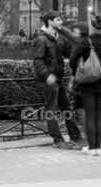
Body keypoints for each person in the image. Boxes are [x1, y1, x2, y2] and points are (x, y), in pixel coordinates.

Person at [69, 15, 101, 156]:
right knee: (99, 116)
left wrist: (77, 72)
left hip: (87, 83)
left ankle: (91, 148)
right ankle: (98, 148)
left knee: (90, 115)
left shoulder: (86, 42)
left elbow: (73, 60)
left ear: (92, 27)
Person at [32, 11, 83, 150]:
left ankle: (76, 137)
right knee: (51, 111)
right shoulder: (41, 39)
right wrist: (47, 76)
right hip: (48, 81)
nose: (61, 22)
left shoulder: (58, 38)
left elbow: (70, 52)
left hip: (59, 80)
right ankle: (57, 140)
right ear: (49, 21)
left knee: (67, 108)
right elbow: (37, 61)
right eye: (58, 19)